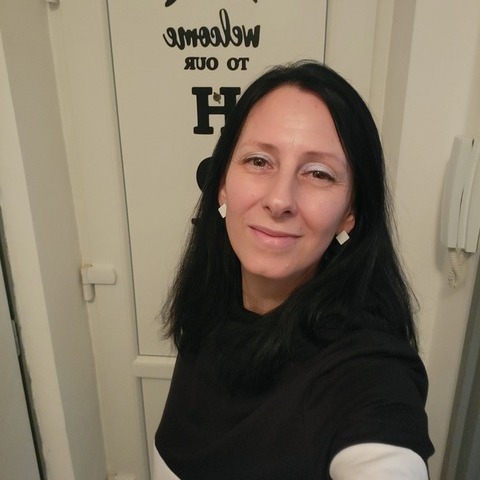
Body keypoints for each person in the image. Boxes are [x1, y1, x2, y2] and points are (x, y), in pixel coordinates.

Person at [153, 61, 434, 479]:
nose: (280, 200)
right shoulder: (209, 314)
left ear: (350, 213)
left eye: (319, 173)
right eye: (259, 161)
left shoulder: (365, 371)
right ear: (223, 185)